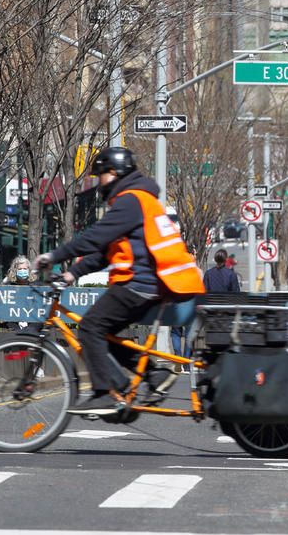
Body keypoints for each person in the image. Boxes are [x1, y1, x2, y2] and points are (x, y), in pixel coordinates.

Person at [34, 146, 205, 416]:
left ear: (113, 172)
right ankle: (154, 375)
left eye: (99, 175)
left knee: (90, 327)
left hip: (140, 284)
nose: (97, 181)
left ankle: (105, 394)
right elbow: (106, 253)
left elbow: (95, 238)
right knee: (106, 335)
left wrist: (54, 255)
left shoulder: (130, 200)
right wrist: (71, 274)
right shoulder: (139, 200)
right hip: (151, 285)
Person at [4, 255, 39, 331]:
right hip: (13, 324)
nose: (22, 271)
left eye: (25, 269)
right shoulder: (8, 287)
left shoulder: (36, 286)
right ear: (15, 270)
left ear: (29, 270)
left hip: (33, 324)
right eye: (20, 269)